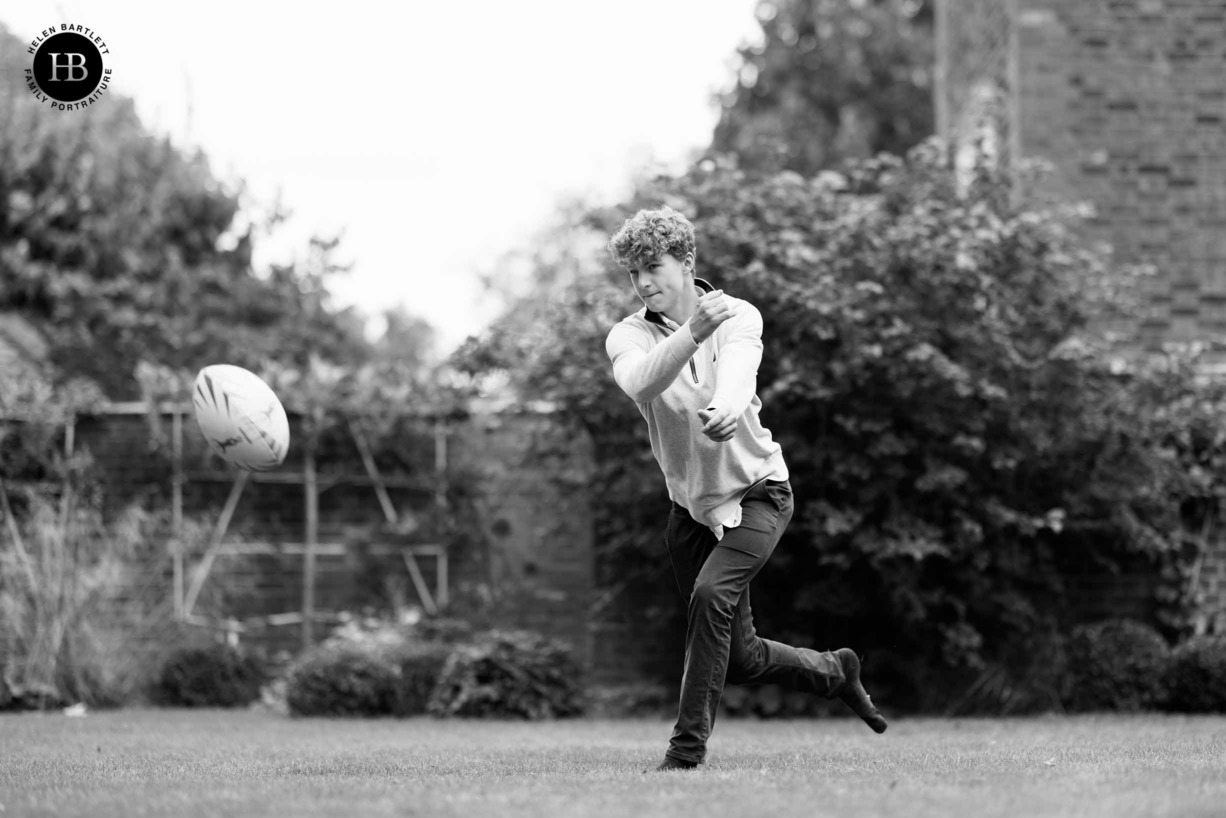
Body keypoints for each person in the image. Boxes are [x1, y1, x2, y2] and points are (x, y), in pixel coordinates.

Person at [603, 206, 887, 772]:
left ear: (687, 263)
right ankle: (836, 671)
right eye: (634, 274)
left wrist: (727, 408)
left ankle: (685, 754)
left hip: (759, 492)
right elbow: (640, 381)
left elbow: (738, 371)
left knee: (711, 598)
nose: (643, 283)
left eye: (653, 267)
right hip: (691, 511)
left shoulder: (737, 316)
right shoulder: (629, 335)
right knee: (740, 657)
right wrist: (691, 332)